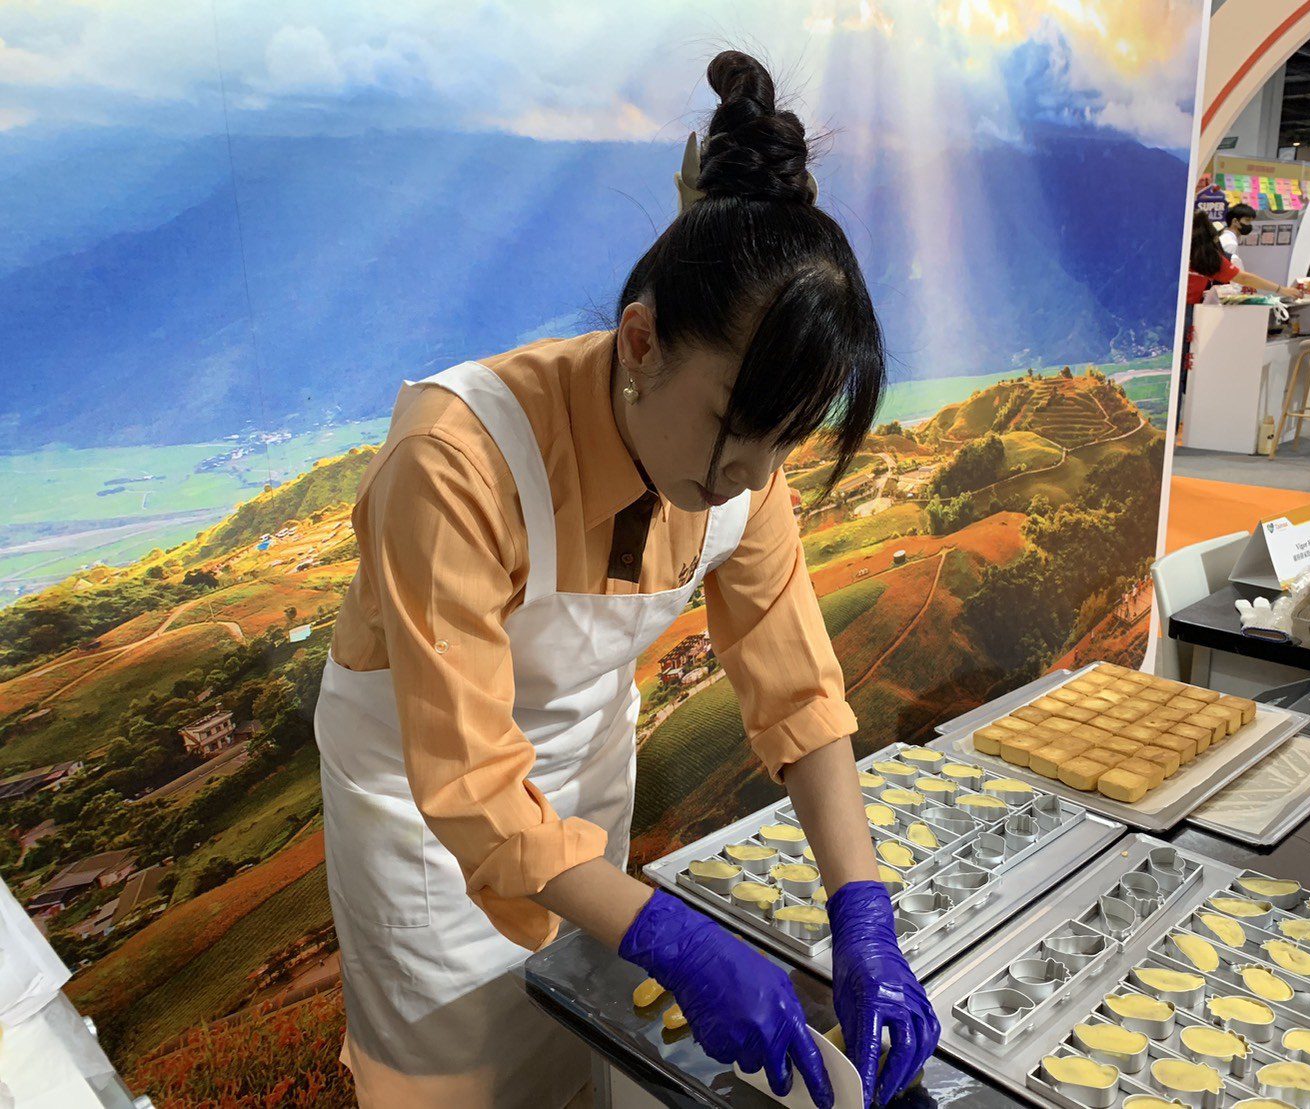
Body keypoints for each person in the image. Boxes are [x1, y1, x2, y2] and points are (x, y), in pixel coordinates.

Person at [314, 51, 938, 1109]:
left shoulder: (743, 465)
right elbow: (469, 780)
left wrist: (862, 911)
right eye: (736, 432)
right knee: (459, 1083)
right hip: (429, 833)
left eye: (787, 442)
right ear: (640, 341)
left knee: (580, 1058)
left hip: (580, 803)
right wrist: (666, 934)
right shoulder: (455, 460)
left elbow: (797, 691)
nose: (755, 478)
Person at [1179, 211, 1299, 424]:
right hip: (1188, 316)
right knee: (1181, 372)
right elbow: (1244, 278)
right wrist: (1282, 289)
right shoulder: (1206, 257)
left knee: (1175, 371)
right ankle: (1175, 426)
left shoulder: (1177, 250)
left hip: (1170, 316)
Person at [1219, 203, 1256, 269]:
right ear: (1235, 221)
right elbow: (1225, 270)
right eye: (1247, 220)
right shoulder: (1230, 243)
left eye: (1251, 221)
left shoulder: (1226, 238)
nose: (1249, 224)